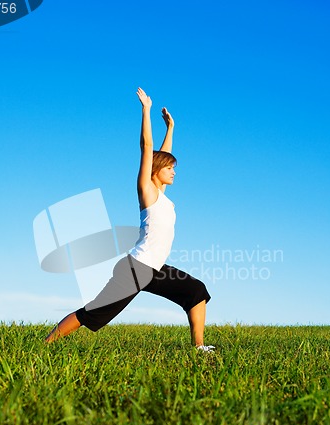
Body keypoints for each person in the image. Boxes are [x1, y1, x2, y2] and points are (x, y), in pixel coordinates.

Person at [45, 88, 214, 351]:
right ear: (157, 171)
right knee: (92, 313)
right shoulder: (147, 191)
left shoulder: (161, 195)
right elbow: (148, 149)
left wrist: (171, 128)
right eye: (169, 169)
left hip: (154, 268)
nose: (173, 172)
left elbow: (161, 154)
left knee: (195, 292)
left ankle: (198, 348)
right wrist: (146, 110)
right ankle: (45, 344)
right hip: (136, 269)